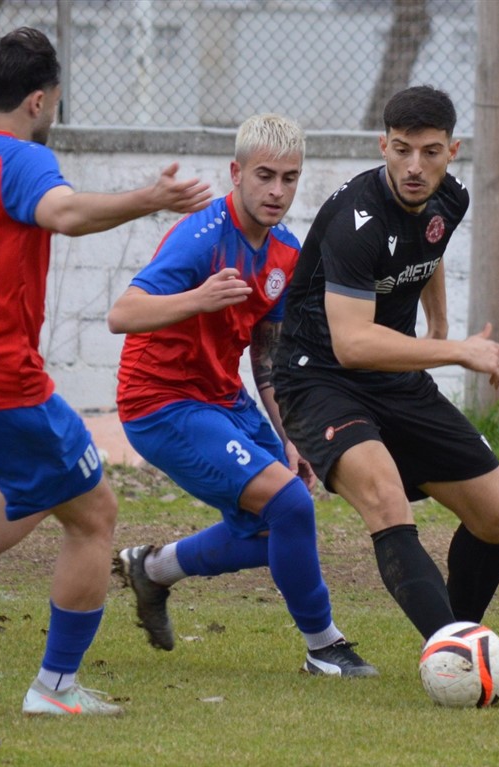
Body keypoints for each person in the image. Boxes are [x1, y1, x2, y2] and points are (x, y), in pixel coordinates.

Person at [0, 27, 211, 717]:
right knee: (94, 514)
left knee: (31, 489)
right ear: (38, 100)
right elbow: (63, 213)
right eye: (55, 97)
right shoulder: (22, 159)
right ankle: (54, 689)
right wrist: (150, 197)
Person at [270, 86, 499, 698]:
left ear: (452, 151)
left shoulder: (450, 197)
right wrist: (455, 349)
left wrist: (437, 322)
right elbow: (352, 344)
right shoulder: (355, 221)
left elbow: (428, 247)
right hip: (320, 378)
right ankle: (464, 656)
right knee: (387, 500)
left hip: (394, 376)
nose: (414, 166)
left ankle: (457, 648)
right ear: (382, 146)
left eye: (430, 152)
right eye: (401, 150)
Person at [107, 114, 377, 678]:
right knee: (291, 505)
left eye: (289, 178)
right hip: (160, 401)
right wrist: (198, 299)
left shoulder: (285, 252)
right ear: (236, 173)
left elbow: (268, 356)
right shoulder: (200, 237)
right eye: (264, 176)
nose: (277, 191)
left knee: (279, 529)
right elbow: (122, 314)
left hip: (223, 398)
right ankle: (324, 647)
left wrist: (292, 434)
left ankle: (153, 570)